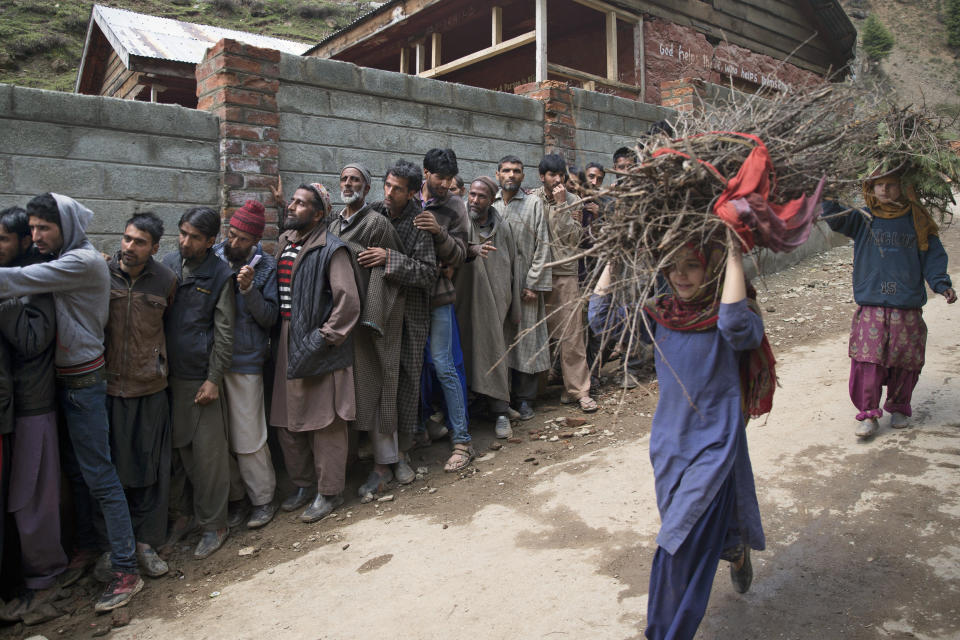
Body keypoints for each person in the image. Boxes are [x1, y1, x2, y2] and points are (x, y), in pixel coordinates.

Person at [0, 193, 142, 612]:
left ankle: (126, 568)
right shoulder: (68, 258)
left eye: (44, 227)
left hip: (84, 383)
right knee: (79, 476)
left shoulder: (80, 262)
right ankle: (89, 549)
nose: (36, 235)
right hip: (64, 382)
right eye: (32, 229)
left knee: (100, 475)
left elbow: (13, 282)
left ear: (66, 225)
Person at [636, 236, 772, 639]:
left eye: (692, 265)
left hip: (715, 447)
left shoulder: (736, 318)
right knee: (690, 531)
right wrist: (611, 258)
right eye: (672, 265)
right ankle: (734, 547)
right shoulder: (661, 316)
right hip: (668, 448)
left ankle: (663, 633)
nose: (679, 275)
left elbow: (731, 321)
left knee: (676, 544)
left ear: (711, 268)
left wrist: (733, 249)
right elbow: (601, 318)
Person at [821, 170, 955, 438]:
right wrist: (828, 191)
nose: (884, 190)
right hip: (871, 304)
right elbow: (834, 218)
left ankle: (899, 407)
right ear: (870, 188)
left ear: (903, 187)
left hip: (906, 305)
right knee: (867, 361)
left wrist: (941, 284)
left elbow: (932, 257)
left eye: (891, 185)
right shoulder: (862, 218)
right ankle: (868, 414)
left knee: (905, 361)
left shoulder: (918, 220)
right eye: (878, 185)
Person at [271, 183, 361, 522]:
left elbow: (348, 303)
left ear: (319, 214)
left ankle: (329, 492)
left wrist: (322, 340)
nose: (291, 207)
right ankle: (303, 485)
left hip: (321, 346)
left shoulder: (332, 249)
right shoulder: (285, 243)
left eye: (300, 204)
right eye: (291, 201)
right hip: (284, 340)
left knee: (326, 423)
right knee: (287, 420)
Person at [0, 206, 68, 622]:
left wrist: (5, 296)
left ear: (24, 242)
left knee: (32, 498)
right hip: (12, 408)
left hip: (32, 403)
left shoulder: (34, 281)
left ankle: (43, 578)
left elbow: (32, 340)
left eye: (3, 239)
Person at [103, 212, 177, 578]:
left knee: (150, 470)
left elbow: (170, 328)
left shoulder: (166, 280)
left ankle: (147, 544)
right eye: (127, 239)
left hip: (150, 388)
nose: (130, 247)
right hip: (110, 389)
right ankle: (116, 548)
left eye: (139, 242)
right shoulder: (102, 275)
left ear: (155, 248)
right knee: (113, 471)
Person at [326, 163, 406, 497]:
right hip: (344, 320)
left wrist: (371, 256)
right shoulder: (334, 223)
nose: (348, 184)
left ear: (367, 187)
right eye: (344, 179)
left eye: (355, 180)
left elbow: (395, 264)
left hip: (373, 321)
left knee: (378, 386)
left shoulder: (377, 223)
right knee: (352, 390)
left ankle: (383, 465)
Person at [162, 207, 235, 559]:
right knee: (176, 455)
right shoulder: (166, 265)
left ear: (210, 241)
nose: (185, 241)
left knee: (208, 458)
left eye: (194, 237)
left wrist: (213, 378)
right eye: (182, 233)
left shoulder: (221, 275)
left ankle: (215, 524)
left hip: (199, 379)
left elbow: (224, 332)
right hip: (165, 378)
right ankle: (184, 516)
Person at [368, 160, 438, 480]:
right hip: (378, 310)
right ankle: (379, 450)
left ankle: (403, 451)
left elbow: (427, 273)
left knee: (408, 380)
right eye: (387, 185)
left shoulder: (420, 224)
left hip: (411, 314)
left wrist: (390, 258)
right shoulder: (374, 213)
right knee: (378, 378)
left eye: (397, 189)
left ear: (412, 193)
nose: (390, 192)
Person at [213, 200, 280, 529]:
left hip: (245, 361)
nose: (234, 242)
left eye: (242, 238)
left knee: (249, 437)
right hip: (211, 362)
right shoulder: (213, 256)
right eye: (231, 234)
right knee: (221, 438)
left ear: (255, 240)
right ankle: (236, 499)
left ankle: (263, 499)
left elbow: (269, 317)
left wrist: (249, 289)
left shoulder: (266, 267)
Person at [412, 149, 473, 469]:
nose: (446, 185)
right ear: (425, 173)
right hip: (408, 297)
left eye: (450, 179)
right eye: (440, 178)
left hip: (438, 298)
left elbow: (460, 255)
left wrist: (438, 232)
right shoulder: (408, 198)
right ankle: (418, 430)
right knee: (414, 365)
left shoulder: (455, 206)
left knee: (444, 365)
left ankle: (462, 441)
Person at [454, 177, 522, 448]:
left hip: (496, 302)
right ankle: (469, 410)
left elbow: (513, 266)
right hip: (465, 300)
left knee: (495, 353)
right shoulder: (459, 222)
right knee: (466, 353)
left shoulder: (502, 228)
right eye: (472, 194)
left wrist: (513, 304)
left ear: (490, 199)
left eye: (481, 196)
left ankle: (500, 411)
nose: (474, 200)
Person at [492, 155, 552, 421]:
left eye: (516, 171)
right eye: (506, 170)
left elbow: (543, 247)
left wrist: (534, 283)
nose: (511, 175)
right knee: (500, 342)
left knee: (526, 342)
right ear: (497, 174)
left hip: (526, 286)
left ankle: (526, 399)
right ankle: (500, 400)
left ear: (523, 175)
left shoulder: (533, 204)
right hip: (496, 288)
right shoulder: (490, 205)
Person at [538, 154, 598, 413]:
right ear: (543, 177)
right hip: (537, 275)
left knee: (572, 335)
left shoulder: (573, 201)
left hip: (565, 273)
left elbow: (572, 237)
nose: (558, 179)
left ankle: (580, 391)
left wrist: (562, 206)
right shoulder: (532, 200)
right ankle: (533, 392)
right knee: (537, 335)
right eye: (552, 175)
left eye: (560, 175)